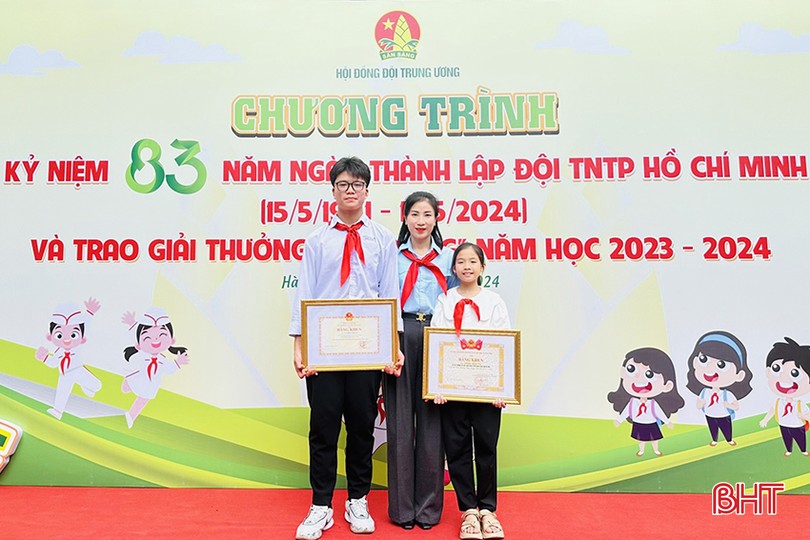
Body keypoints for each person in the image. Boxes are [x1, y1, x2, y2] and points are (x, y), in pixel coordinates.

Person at [289, 156, 403, 540]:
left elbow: (389, 294)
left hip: (367, 349)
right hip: (324, 349)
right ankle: (320, 505)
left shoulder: (382, 239)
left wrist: (393, 346)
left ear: (367, 191)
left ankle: (358, 499)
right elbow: (304, 293)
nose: (350, 190)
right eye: (343, 184)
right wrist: (299, 344)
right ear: (333, 191)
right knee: (322, 427)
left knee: (361, 426)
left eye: (357, 184)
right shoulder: (317, 240)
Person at [384, 191, 456, 530]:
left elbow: (458, 300)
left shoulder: (450, 258)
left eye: (428, 214)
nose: (421, 221)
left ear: (437, 218)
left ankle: (428, 509)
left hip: (438, 335)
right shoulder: (392, 257)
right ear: (405, 218)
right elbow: (383, 297)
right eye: (415, 214)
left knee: (432, 422)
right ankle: (402, 510)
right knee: (399, 422)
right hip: (401, 331)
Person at [430, 242, 509, 540]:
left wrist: (501, 388)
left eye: (473, 261)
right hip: (453, 389)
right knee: (458, 448)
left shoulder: (494, 302)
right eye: (461, 261)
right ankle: (468, 511)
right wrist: (437, 386)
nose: (466, 266)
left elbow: (504, 344)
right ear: (453, 268)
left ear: (482, 267)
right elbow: (437, 341)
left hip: (487, 391)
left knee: (487, 448)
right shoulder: (445, 301)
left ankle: (488, 510)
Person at [607, 347, 684, 457]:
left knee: (654, 438)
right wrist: (619, 420)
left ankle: (656, 450)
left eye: (649, 375)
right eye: (631, 369)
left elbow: (659, 413)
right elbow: (626, 412)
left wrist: (667, 422)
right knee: (640, 439)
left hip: (651, 423)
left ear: (667, 386)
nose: (639, 378)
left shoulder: (653, 404)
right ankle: (641, 450)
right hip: (638, 423)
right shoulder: (633, 402)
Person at [120, 307, 190, 428]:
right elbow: (135, 334)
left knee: (143, 399)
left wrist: (178, 362)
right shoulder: (143, 354)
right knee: (127, 386)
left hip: (150, 384)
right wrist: (132, 323)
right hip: (139, 377)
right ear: (138, 344)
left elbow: (169, 369)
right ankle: (128, 387)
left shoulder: (162, 360)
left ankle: (131, 416)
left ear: (172, 340)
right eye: (147, 337)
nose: (156, 340)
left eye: (162, 335)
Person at [34, 298, 102, 420]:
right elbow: (53, 363)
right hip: (65, 374)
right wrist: (44, 358)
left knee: (97, 385)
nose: (66, 340)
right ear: (50, 336)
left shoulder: (77, 347)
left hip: (77, 370)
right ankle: (57, 411)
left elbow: (85, 326)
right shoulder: (59, 352)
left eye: (73, 335)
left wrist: (89, 313)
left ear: (82, 338)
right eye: (59, 335)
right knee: (62, 391)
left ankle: (86, 386)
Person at [685, 331, 752, 447]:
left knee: (726, 428)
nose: (710, 369)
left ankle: (729, 439)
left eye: (721, 364)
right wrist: (701, 404)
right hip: (710, 414)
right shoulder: (704, 392)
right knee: (713, 428)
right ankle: (714, 440)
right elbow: (698, 405)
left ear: (739, 375)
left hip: (724, 415)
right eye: (703, 359)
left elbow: (736, 406)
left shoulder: (727, 394)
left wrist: (728, 405)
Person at [759, 337, 810, 456]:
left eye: (795, 373)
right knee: (786, 438)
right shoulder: (778, 401)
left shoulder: (799, 403)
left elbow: (808, 414)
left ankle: (803, 450)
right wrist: (765, 419)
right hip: (784, 424)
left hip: (798, 425)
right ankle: (789, 450)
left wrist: (803, 416)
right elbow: (772, 410)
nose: (784, 378)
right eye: (776, 369)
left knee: (800, 438)